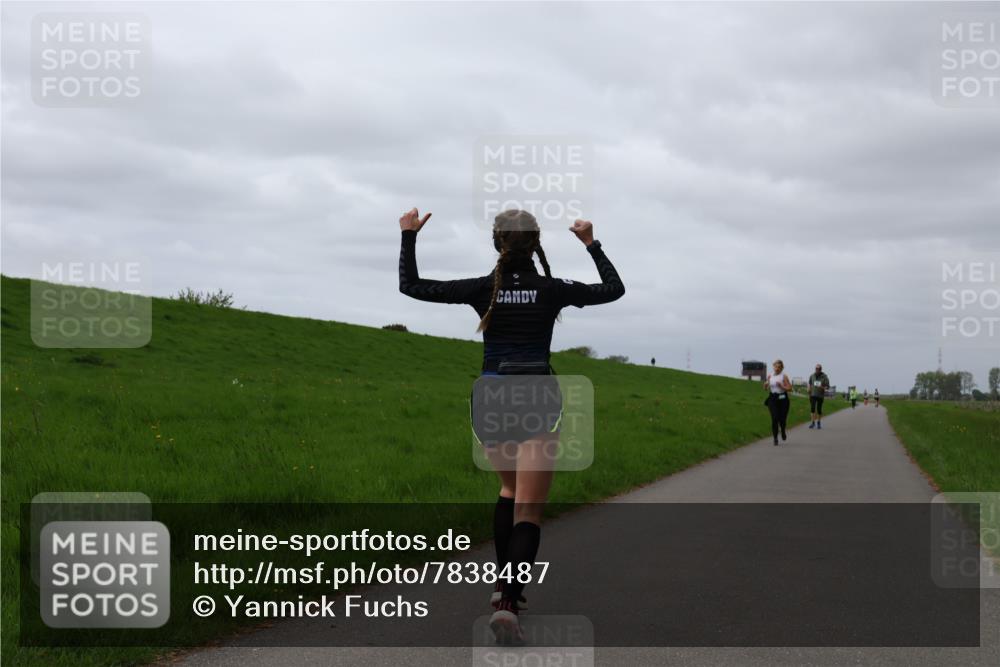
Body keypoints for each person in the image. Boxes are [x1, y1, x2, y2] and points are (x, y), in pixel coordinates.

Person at [398, 207, 624, 644]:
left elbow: (412, 286)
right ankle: (507, 603)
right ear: (536, 243)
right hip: (537, 393)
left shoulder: (482, 287)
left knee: (508, 490)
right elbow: (613, 289)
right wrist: (591, 243)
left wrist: (409, 235)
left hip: (492, 395)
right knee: (529, 509)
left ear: (497, 243)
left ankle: (505, 588)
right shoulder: (552, 288)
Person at [764, 359, 793, 445]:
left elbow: (790, 388)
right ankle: (775, 438)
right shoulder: (770, 376)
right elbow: (766, 388)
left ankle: (783, 430)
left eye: (779, 367)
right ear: (773, 367)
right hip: (773, 398)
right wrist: (765, 386)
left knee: (782, 419)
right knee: (775, 418)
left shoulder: (784, 376)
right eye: (776, 366)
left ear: (782, 368)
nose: (777, 368)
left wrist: (782, 386)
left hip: (783, 399)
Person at [808, 363, 830, 429]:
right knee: (812, 408)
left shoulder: (824, 377)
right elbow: (809, 383)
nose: (817, 370)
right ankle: (812, 422)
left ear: (821, 369)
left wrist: (822, 387)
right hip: (813, 394)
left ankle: (818, 422)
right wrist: (809, 389)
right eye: (816, 368)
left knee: (819, 409)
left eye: (818, 369)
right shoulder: (812, 376)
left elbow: (827, 386)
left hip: (820, 395)